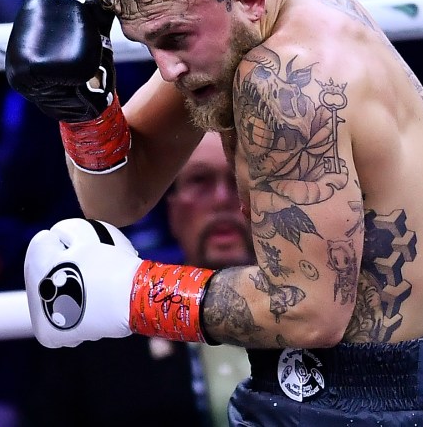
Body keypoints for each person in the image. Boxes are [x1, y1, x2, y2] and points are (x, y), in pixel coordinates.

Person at [6, 0, 423, 425]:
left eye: (175, 38)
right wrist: (85, 111)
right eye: (149, 46)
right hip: (403, 386)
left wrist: (134, 295)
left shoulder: (285, 81)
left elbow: (310, 314)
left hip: (362, 402)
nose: (166, 70)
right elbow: (118, 201)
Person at [22, 131, 254, 426]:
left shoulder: (327, 313)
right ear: (172, 209)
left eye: (238, 181)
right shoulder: (106, 337)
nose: (222, 199)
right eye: (200, 181)